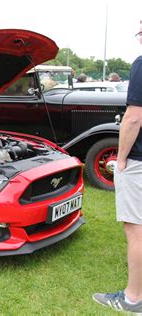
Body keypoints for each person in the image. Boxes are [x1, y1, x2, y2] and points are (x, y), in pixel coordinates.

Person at [92, 55, 142, 313]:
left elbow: (133, 117)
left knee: (136, 230)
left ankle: (133, 299)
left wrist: (120, 159)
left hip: (139, 160)